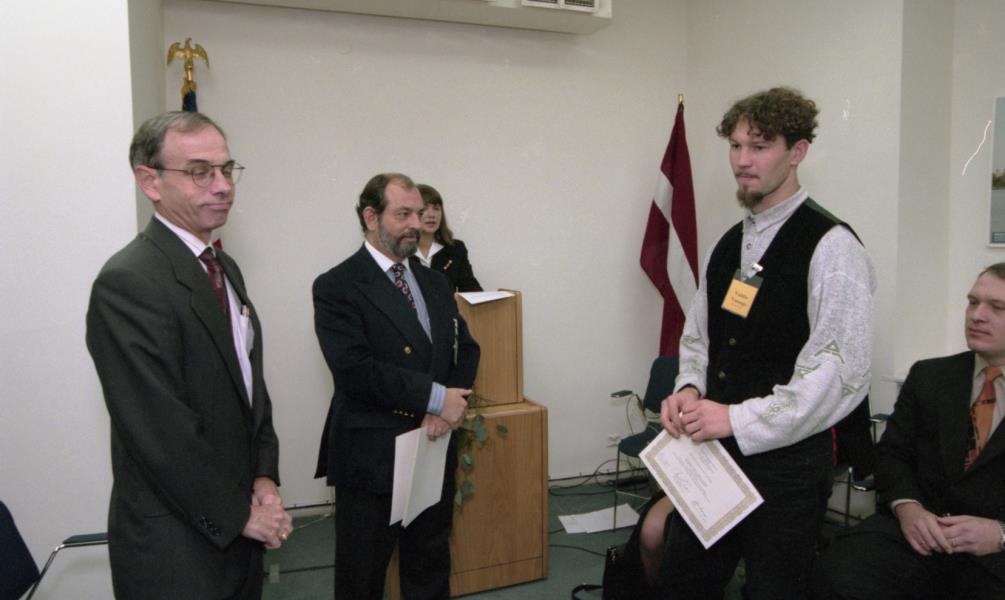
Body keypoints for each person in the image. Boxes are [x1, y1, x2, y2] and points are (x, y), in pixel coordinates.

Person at [657, 87, 875, 599]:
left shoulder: (833, 246)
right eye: (735, 146)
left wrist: (736, 419)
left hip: (788, 472)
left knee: (774, 590)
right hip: (714, 456)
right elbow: (700, 336)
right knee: (683, 581)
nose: (742, 161)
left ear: (797, 152)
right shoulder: (729, 243)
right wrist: (689, 387)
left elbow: (838, 373)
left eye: (759, 147)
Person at [86, 111, 292, 599]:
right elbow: (160, 429)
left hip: (239, 528)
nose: (222, 186)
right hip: (178, 549)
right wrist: (240, 515)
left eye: (226, 169)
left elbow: (248, 388)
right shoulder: (128, 281)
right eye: (200, 172)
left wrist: (264, 476)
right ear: (149, 181)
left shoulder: (223, 265)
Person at [313, 173, 480, 599]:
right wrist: (436, 398)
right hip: (372, 456)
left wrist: (449, 405)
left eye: (419, 214)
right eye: (403, 214)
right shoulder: (337, 286)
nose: (416, 224)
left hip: (431, 447)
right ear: (371, 217)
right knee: (362, 576)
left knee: (429, 565)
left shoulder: (434, 281)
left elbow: (466, 348)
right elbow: (355, 371)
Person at [813, 265, 1005, 598]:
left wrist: (1000, 534)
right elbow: (892, 454)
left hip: (994, 554)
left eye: (997, 307)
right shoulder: (930, 376)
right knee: (834, 575)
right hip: (917, 534)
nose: (977, 316)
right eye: (973, 302)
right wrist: (908, 508)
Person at [416, 183, 482, 292]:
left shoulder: (455, 248)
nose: (432, 215)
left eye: (436, 208)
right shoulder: (400, 251)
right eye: (424, 209)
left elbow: (470, 288)